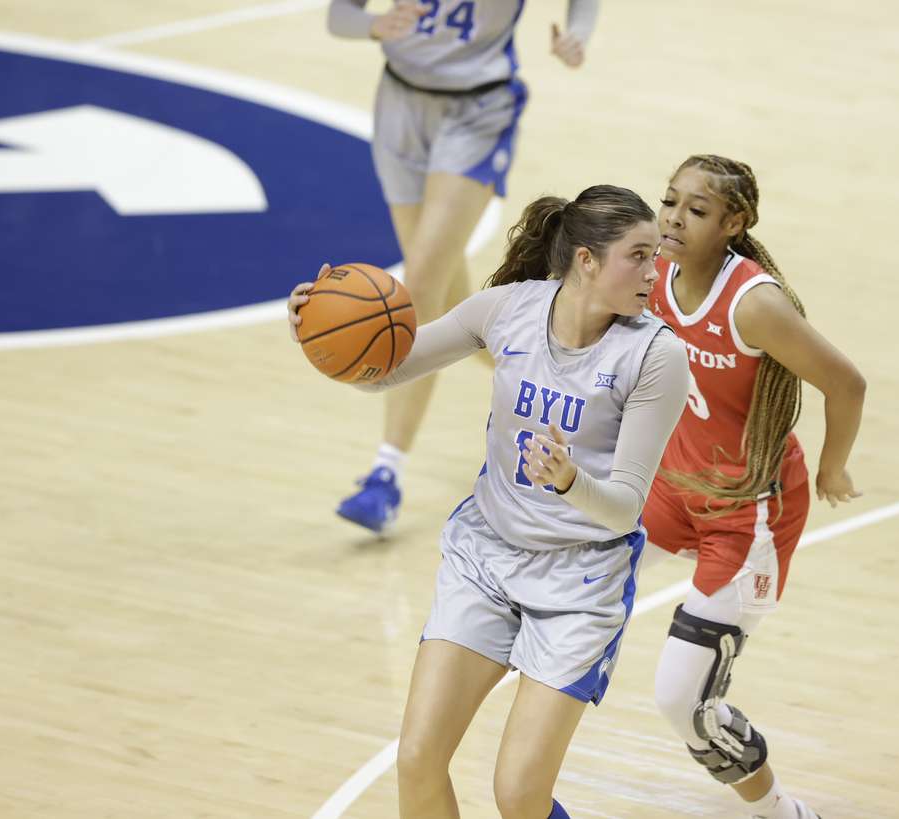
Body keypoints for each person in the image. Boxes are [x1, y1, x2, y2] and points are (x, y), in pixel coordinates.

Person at [288, 184, 689, 818]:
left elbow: (624, 509)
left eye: (654, 256)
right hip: (486, 558)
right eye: (637, 255)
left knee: (518, 794)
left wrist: (569, 482)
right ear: (586, 259)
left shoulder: (656, 355)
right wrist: (321, 334)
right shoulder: (506, 310)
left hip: (580, 581)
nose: (654, 270)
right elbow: (386, 367)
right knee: (417, 760)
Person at [642, 154, 867, 819]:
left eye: (698, 210)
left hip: (747, 513)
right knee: (564, 566)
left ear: (733, 223)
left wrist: (833, 466)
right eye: (670, 201)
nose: (675, 218)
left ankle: (781, 811)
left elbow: (847, 383)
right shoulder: (653, 270)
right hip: (671, 485)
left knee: (680, 702)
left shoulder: (754, 305)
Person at [325, 0, 600, 533]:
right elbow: (340, 16)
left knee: (420, 287)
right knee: (452, 306)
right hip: (400, 106)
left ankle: (386, 473)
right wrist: (373, 26)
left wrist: (578, 34)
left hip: (479, 111)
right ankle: (571, 393)